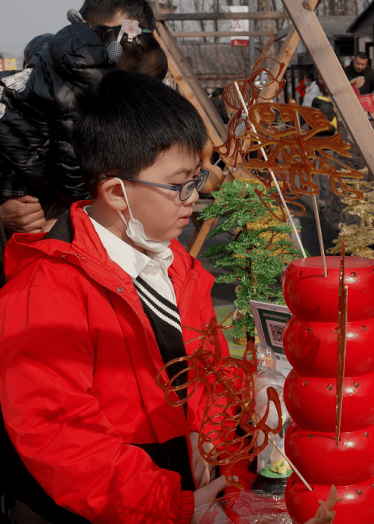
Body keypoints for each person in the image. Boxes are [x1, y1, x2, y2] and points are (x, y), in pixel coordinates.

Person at [0, 70, 230, 523]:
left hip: (189, 485)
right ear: (115, 192)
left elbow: (210, 371)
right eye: (180, 184)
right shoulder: (47, 290)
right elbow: (58, 436)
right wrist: (168, 504)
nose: (193, 197)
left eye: (197, 178)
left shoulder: (174, 262)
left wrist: (219, 443)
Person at [0, 0, 165, 237]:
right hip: (28, 200)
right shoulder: (75, 89)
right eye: (117, 40)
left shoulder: (65, 68)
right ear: (86, 28)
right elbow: (70, 174)